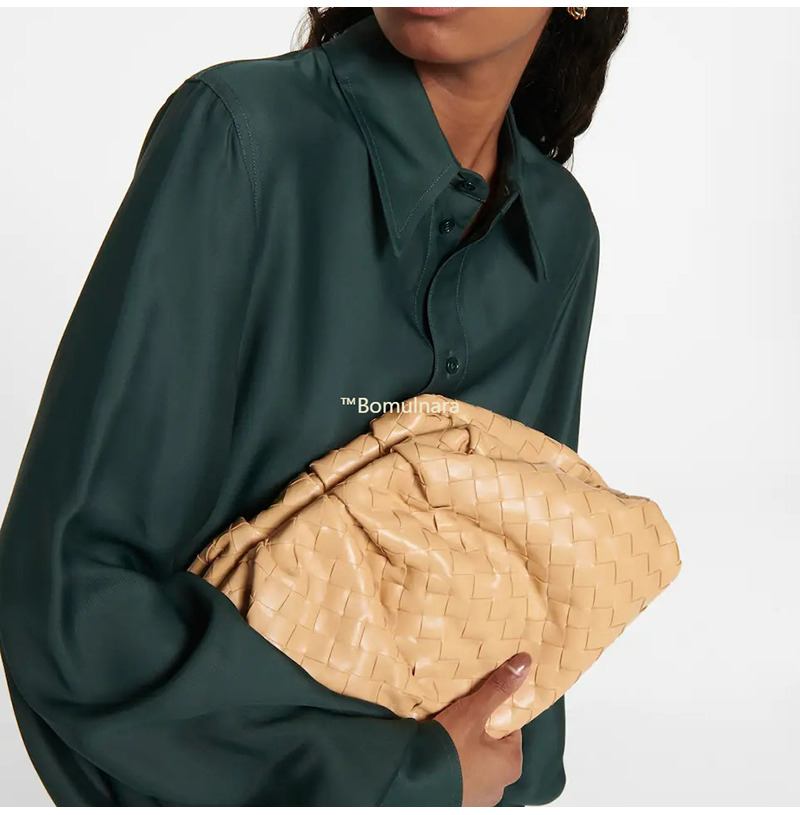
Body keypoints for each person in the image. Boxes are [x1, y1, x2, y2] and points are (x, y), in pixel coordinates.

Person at [0, 7, 628, 807]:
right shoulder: (240, 135)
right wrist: (406, 777)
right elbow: (68, 594)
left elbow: (526, 597)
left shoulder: (559, 234)